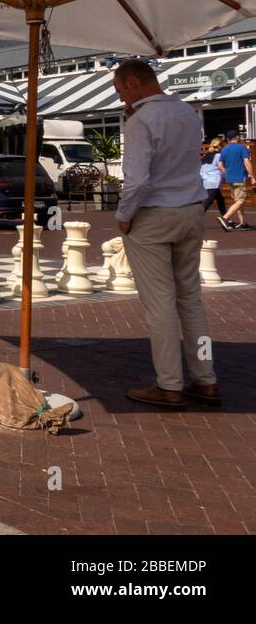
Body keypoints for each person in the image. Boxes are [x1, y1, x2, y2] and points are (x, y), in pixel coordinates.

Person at [113, 59, 219, 409]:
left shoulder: (142, 120)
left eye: (120, 92)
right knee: (190, 299)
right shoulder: (188, 113)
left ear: (131, 83)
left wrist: (124, 217)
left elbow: (138, 179)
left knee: (159, 304)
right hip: (191, 209)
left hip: (154, 215)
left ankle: (169, 384)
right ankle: (205, 379)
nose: (121, 100)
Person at [218, 130, 253, 230]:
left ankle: (242, 223)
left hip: (230, 179)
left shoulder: (224, 149)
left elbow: (220, 166)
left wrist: (228, 172)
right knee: (240, 201)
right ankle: (225, 218)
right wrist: (253, 177)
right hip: (239, 178)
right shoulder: (241, 147)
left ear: (228, 139)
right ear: (237, 137)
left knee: (237, 200)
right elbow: (247, 162)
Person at [200, 137, 226, 215]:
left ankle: (227, 220)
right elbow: (222, 167)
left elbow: (202, 169)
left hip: (206, 181)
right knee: (208, 202)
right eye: (220, 145)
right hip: (214, 181)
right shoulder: (218, 156)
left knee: (220, 200)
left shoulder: (206, 156)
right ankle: (193, 220)